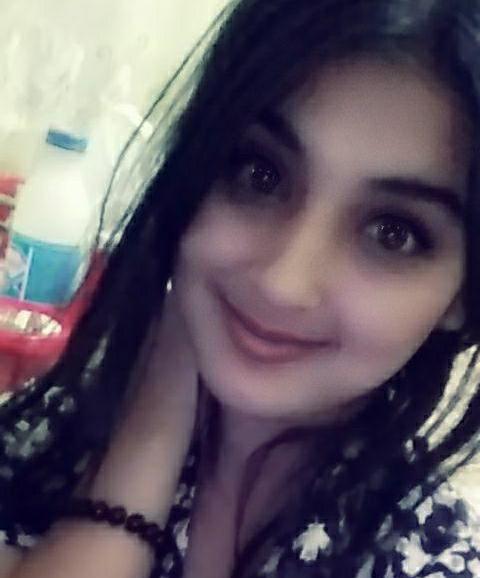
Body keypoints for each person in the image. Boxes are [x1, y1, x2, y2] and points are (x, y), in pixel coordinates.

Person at [1, 0, 480, 576]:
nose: (284, 284)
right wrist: (145, 440)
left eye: (393, 233)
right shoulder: (50, 439)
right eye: (259, 174)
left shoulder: (426, 557)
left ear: (462, 294)